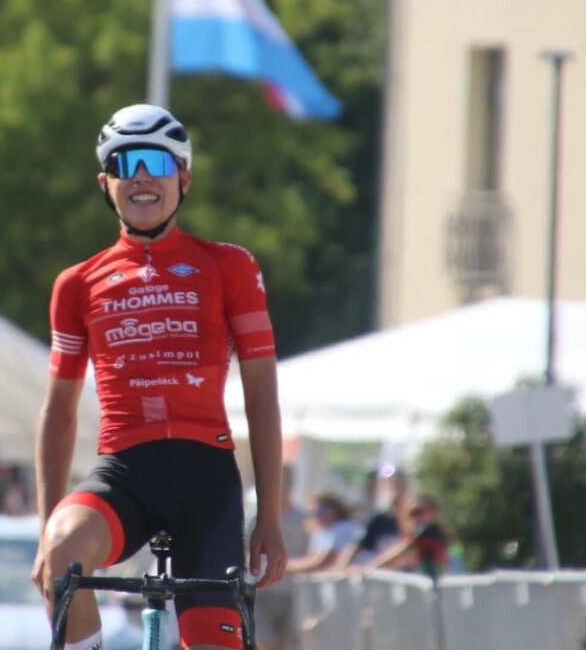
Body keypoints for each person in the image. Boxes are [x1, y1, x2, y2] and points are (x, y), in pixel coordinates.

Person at [31, 104, 287, 650]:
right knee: (65, 548)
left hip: (206, 481)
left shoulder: (229, 266)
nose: (142, 177)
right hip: (125, 475)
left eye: (158, 163)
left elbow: (262, 397)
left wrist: (270, 515)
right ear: (106, 184)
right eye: (125, 164)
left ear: (184, 179)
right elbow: (58, 413)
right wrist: (46, 537)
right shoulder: (77, 283)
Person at [247, 466, 308, 650]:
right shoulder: (256, 517)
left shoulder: (302, 519)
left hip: (292, 592)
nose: (284, 488)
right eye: (281, 482)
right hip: (261, 590)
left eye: (288, 483)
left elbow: (311, 552)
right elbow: (245, 549)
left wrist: (290, 567)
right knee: (266, 642)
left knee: (288, 645)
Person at [360, 493, 450, 581]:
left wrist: (371, 566)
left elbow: (400, 550)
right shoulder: (428, 532)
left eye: (420, 512)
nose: (416, 517)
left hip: (434, 580)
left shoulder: (429, 532)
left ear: (433, 512)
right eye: (412, 514)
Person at [334, 464, 408, 569]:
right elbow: (358, 545)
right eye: (391, 486)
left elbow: (409, 544)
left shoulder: (413, 517)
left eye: (400, 485)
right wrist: (340, 568)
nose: (396, 491)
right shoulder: (379, 519)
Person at [287, 491, 362, 574]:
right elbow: (310, 558)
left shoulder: (343, 527)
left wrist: (286, 568)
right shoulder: (321, 532)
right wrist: (286, 565)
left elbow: (323, 563)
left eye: (321, 511)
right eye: (312, 513)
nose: (316, 516)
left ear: (334, 510)